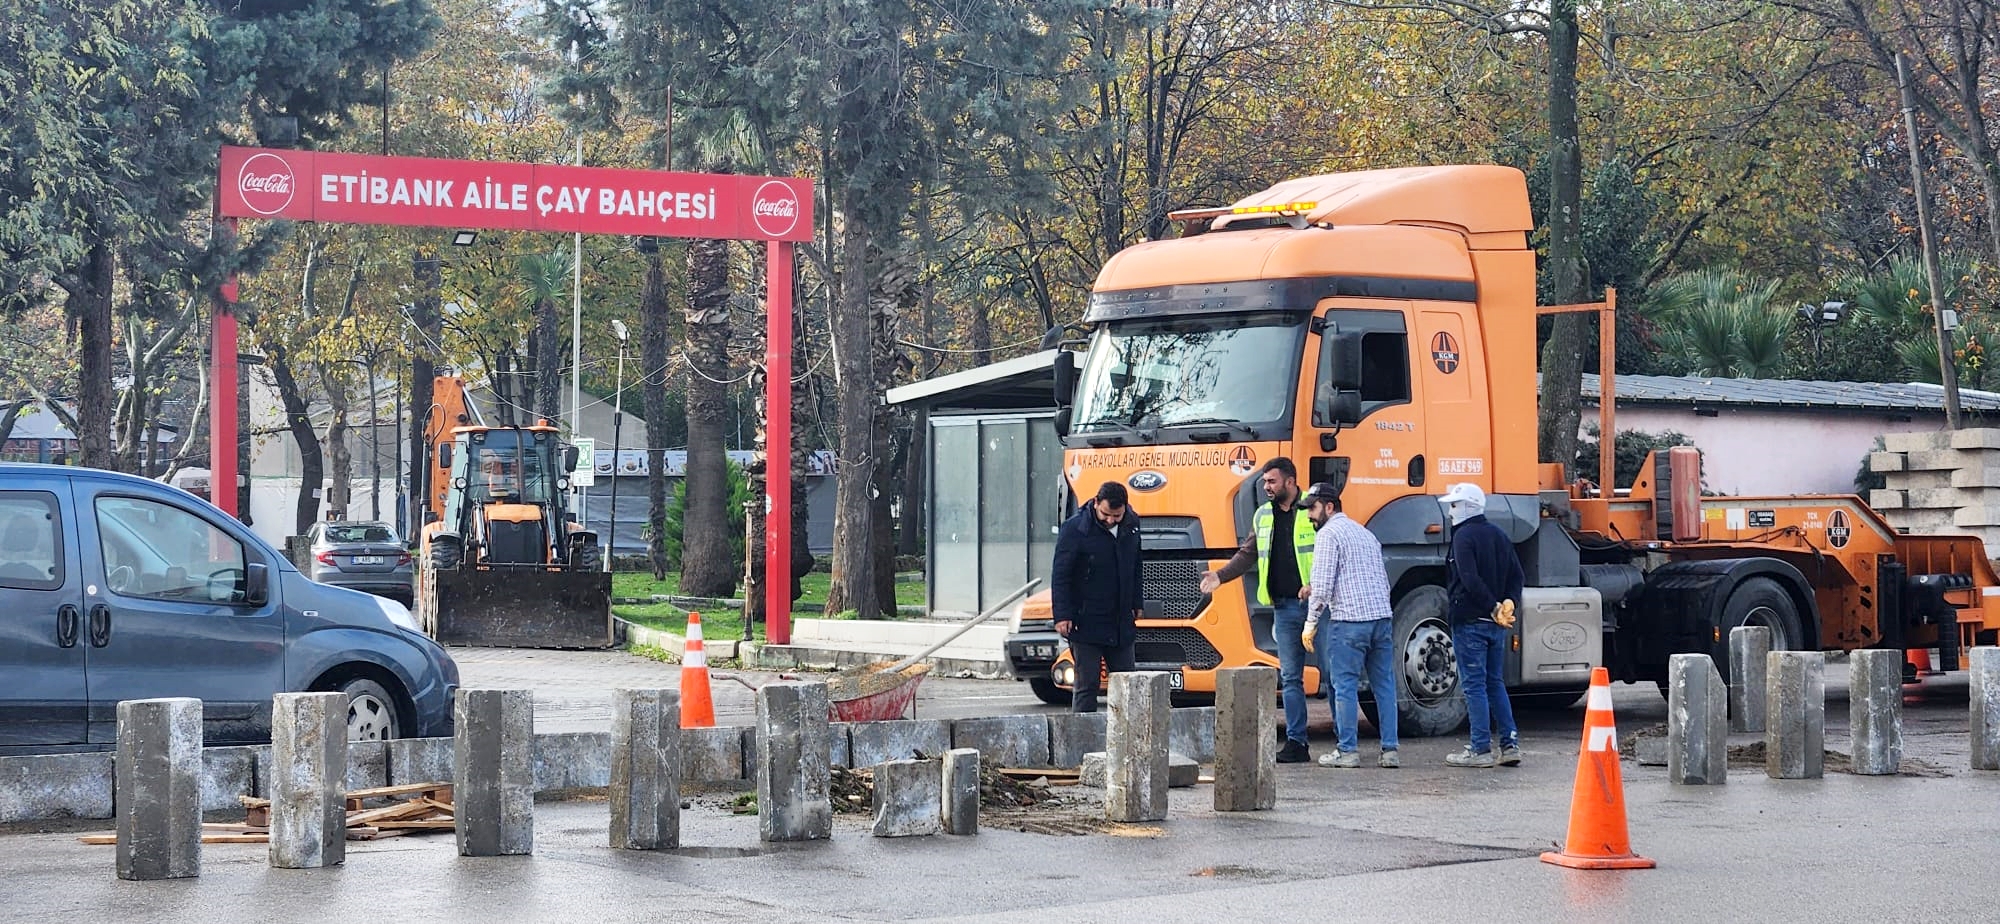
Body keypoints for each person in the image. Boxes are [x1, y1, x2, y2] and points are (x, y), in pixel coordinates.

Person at [1199, 458, 1318, 762]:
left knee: (1337, 675)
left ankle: (1348, 746)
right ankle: (1297, 743)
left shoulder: (1313, 510)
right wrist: (1220, 576)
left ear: (1290, 482)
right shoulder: (1263, 515)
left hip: (1319, 606)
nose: (1265, 487)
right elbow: (1247, 554)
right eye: (1264, 481)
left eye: (1272, 481)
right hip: (1285, 608)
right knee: (1290, 678)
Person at [1299, 482, 1398, 769]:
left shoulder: (1329, 535)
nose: (1309, 516)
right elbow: (1381, 578)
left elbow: (1323, 586)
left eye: (1313, 509)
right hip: (1381, 618)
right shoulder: (1366, 533)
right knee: (1384, 686)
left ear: (1330, 507)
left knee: (1344, 686)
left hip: (1349, 622)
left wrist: (1311, 622)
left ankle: (1347, 751)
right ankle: (1390, 750)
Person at [1439, 482, 1525, 768]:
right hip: (1495, 625)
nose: (1451, 511)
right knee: (1494, 682)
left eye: (1454, 505)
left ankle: (1479, 749)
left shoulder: (1463, 537)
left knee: (1474, 685)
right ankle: (1509, 743)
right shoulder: (1499, 535)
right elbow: (1517, 575)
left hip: (1471, 621)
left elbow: (1468, 577)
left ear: (1466, 507)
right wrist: (1508, 602)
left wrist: (1492, 606)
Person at [1051, 482, 1144, 714]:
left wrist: (1137, 602)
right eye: (1106, 514)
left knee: (1127, 685)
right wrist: (1062, 615)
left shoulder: (1131, 525)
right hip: (1085, 621)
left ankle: (1128, 738)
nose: (1111, 520)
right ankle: (1082, 740)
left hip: (1120, 621)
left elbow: (1136, 566)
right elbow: (1061, 574)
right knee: (1086, 685)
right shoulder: (1075, 529)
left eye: (1117, 515)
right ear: (1095, 503)